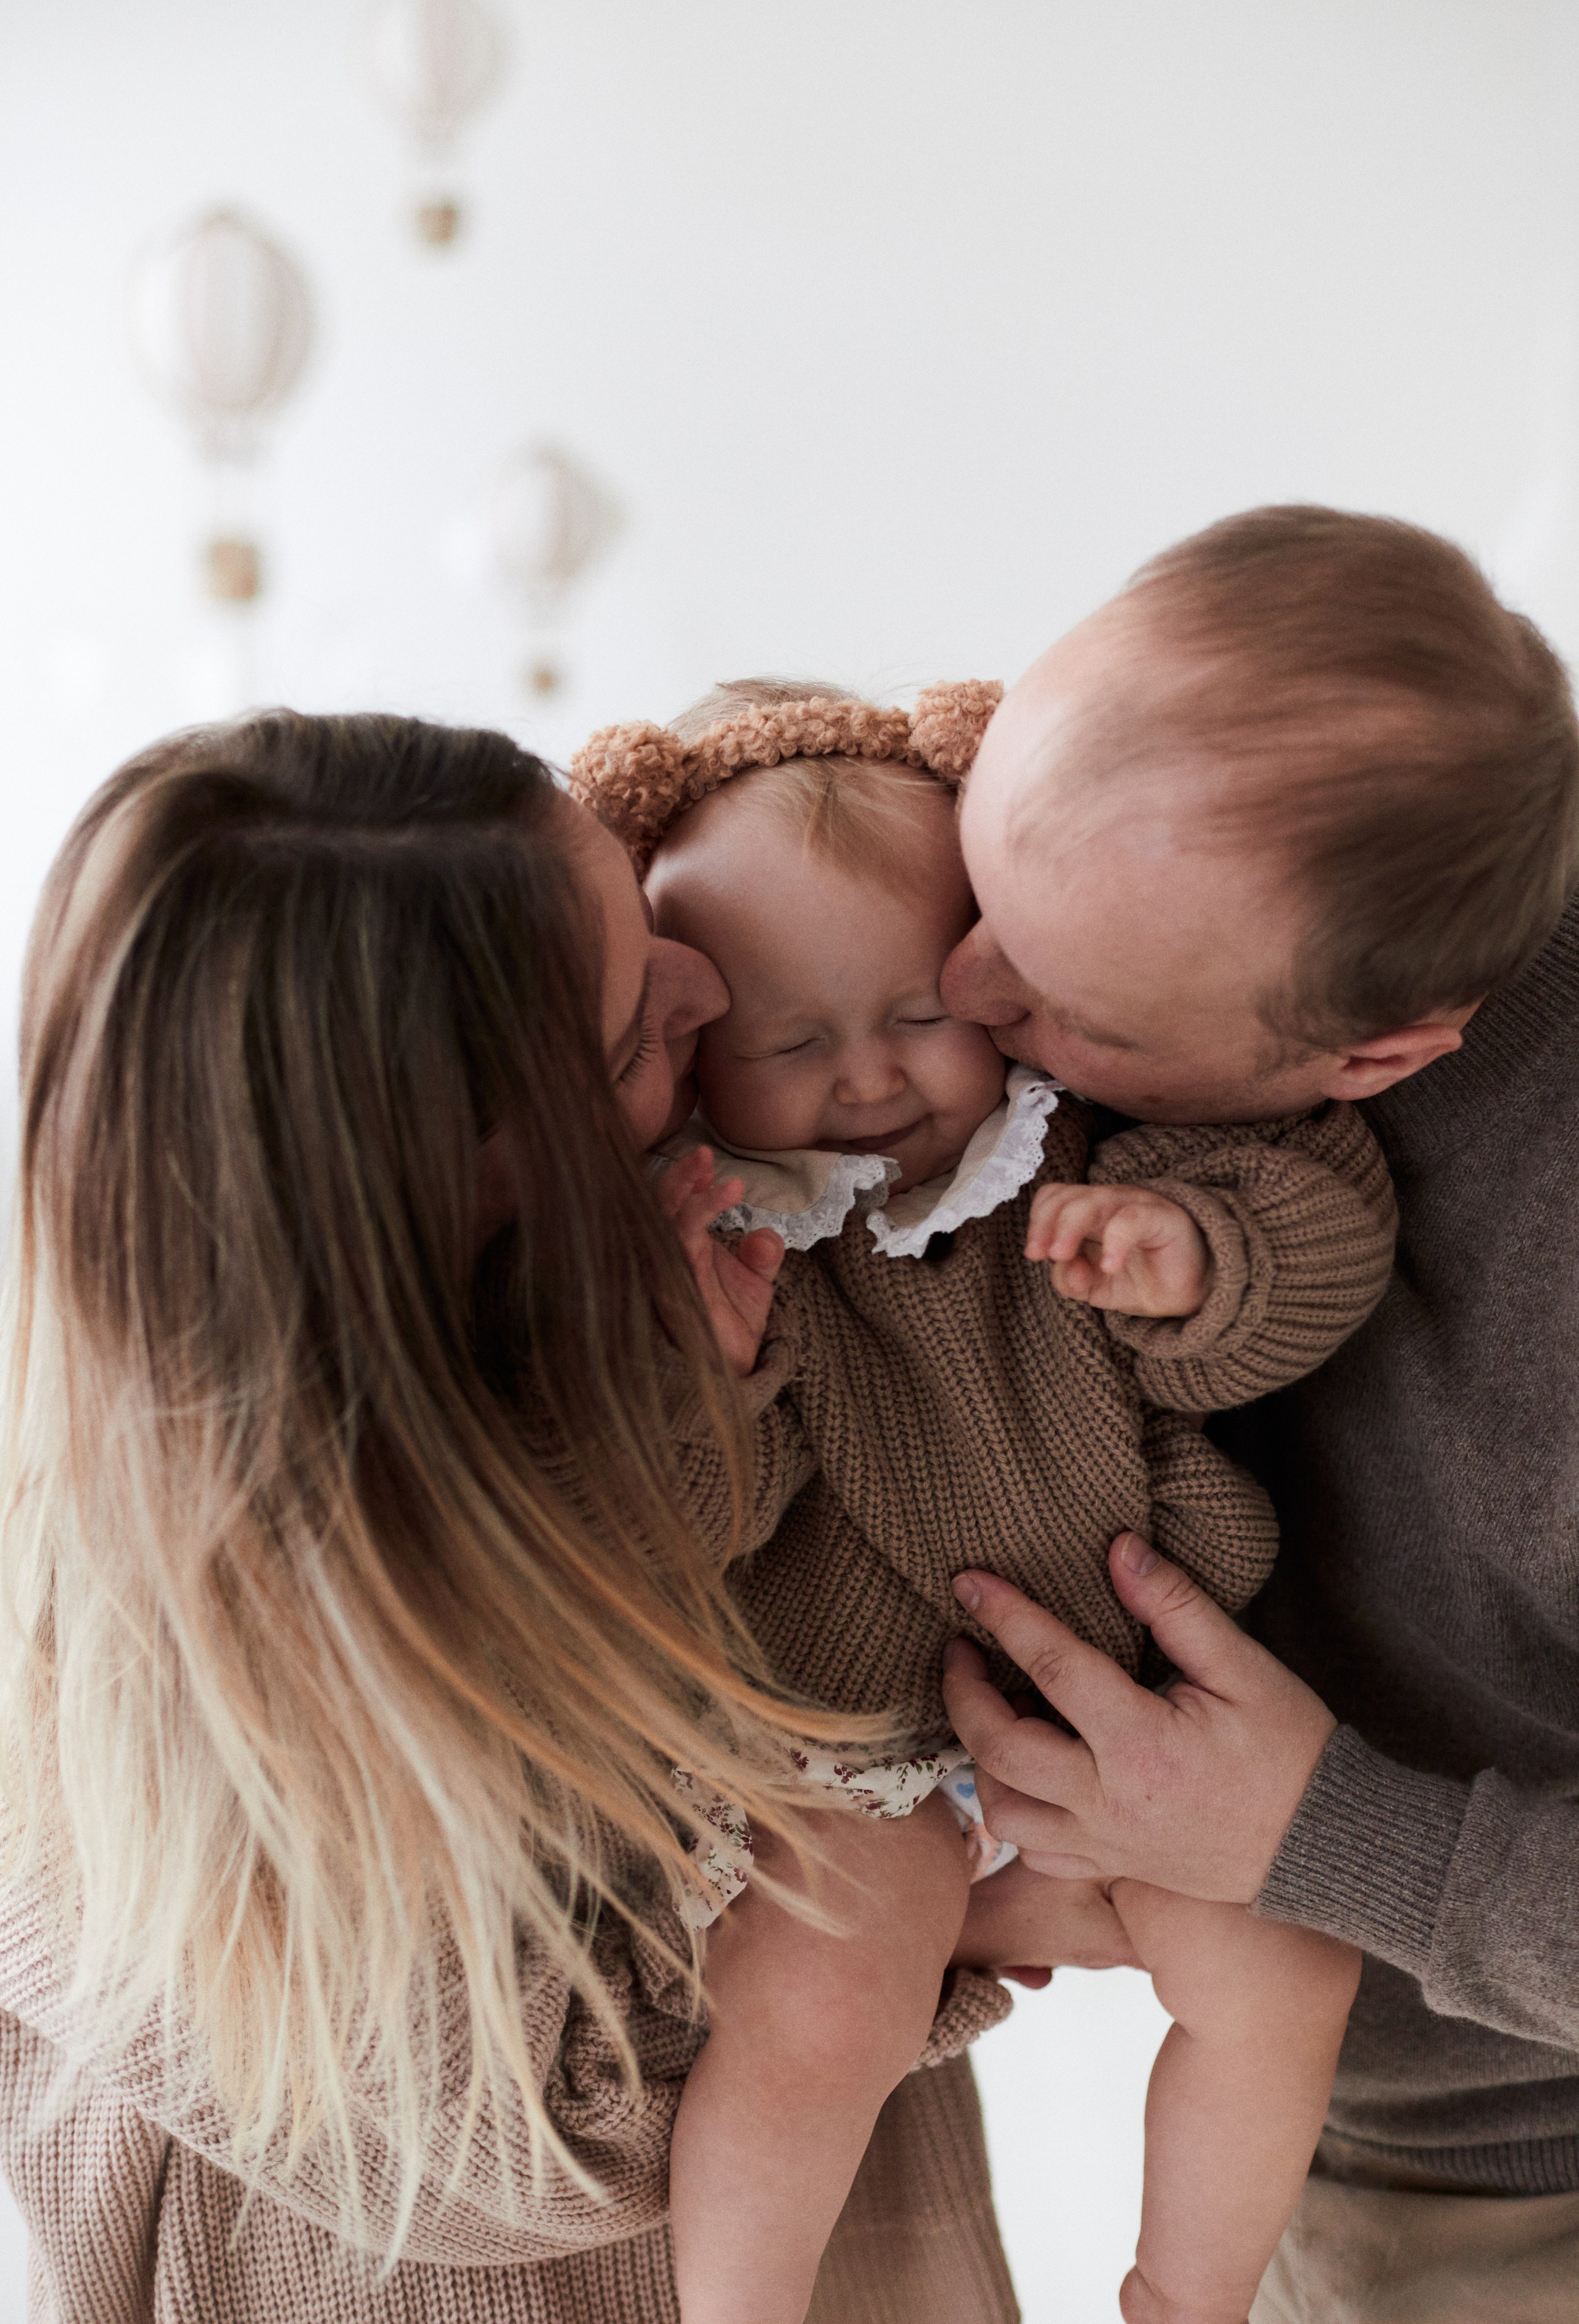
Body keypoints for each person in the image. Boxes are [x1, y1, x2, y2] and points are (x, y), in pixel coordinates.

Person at [0, 707, 1018, 2324]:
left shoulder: (674, 1261)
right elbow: (515, 2135)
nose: (699, 983)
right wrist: (980, 1896)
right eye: (626, 1034)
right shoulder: (227, 1602)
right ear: (456, 1174)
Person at [571, 677, 1397, 2324]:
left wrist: (1202, 1262)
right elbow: (671, 1533)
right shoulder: (712, 1235)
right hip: (854, 1738)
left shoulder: (1082, 1152)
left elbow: (1324, 1225)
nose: (869, 1081)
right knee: (819, 2021)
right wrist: (705, 1385)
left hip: (1142, 1719)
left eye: (916, 1017)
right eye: (790, 1043)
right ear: (692, 1047)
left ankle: (1188, 2295)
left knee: (1292, 1968)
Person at [936, 505, 1579, 2320]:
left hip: (1508, 2186)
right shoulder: (1281, 803)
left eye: (1064, 1006)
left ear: (1377, 1062)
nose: (968, 991)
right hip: (1308, 2077)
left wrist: (1322, 1836)